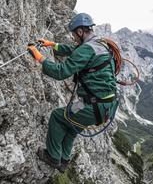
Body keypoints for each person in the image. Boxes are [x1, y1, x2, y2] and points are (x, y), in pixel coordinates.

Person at [27, 13, 118, 172]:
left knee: (57, 116)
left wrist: (39, 57)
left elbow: (61, 72)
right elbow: (74, 50)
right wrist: (52, 44)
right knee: (73, 126)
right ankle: (64, 161)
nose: (74, 37)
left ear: (80, 31)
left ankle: (53, 157)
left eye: (74, 34)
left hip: (93, 106)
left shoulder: (87, 48)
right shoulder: (99, 44)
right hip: (104, 105)